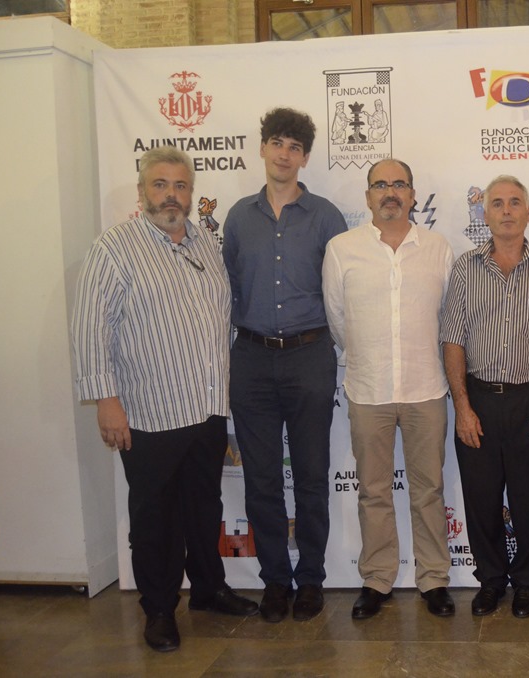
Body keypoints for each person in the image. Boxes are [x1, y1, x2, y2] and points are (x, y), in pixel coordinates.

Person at [71, 147, 257, 653]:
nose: (170, 195)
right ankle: (158, 608)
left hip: (206, 406)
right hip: (149, 412)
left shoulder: (206, 244)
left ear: (191, 193)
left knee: (204, 505)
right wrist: (106, 401)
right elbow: (90, 329)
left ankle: (209, 589)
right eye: (160, 185)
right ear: (142, 192)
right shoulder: (115, 248)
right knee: (155, 517)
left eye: (179, 186)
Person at [222, 108, 347, 624]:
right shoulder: (237, 217)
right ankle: (275, 580)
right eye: (276, 142)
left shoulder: (326, 217)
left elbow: (340, 292)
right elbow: (228, 288)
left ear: (305, 158)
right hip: (251, 359)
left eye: (294, 147)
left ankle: (311, 578)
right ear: (262, 148)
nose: (284, 154)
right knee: (262, 480)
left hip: (309, 356)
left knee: (312, 476)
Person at [323, 158, 456, 619]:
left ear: (413, 195)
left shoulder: (438, 248)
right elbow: (337, 319)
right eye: (380, 185)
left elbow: (448, 318)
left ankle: (434, 579)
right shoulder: (342, 249)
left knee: (429, 490)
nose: (390, 192)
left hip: (425, 387)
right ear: (368, 197)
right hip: (368, 389)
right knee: (374, 491)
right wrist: (364, 356)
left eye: (399, 184)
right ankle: (377, 579)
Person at [442, 175, 529, 618]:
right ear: (485, 214)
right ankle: (491, 580)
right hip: (478, 398)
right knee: (481, 498)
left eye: (515, 202)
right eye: (497, 203)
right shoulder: (465, 268)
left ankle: (527, 582)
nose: (507, 210)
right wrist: (462, 406)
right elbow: (453, 340)